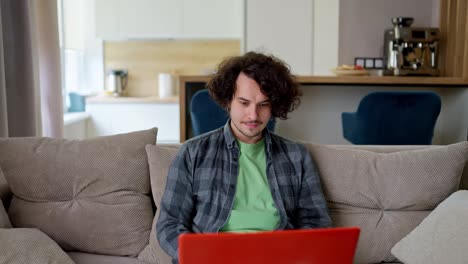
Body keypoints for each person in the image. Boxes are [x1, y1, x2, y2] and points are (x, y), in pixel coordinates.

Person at [157, 51, 331, 263]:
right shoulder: (193, 153)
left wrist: (297, 254)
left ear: (274, 106)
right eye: (244, 103)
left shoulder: (297, 157)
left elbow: (316, 222)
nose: (253, 115)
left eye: (263, 105)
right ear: (228, 100)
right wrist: (197, 256)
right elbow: (169, 224)